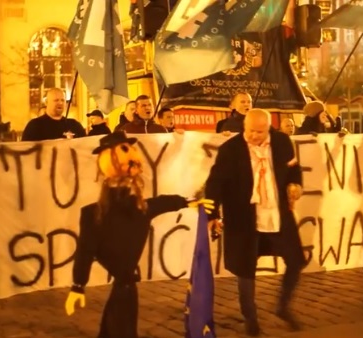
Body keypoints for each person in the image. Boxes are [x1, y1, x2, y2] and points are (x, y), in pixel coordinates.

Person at [65, 132, 213, 338]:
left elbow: (159, 203)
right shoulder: (95, 214)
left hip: (126, 284)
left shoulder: (139, 208)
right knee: (119, 322)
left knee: (116, 322)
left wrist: (188, 202)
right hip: (124, 283)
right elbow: (85, 251)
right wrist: (77, 286)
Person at [204, 109, 306, 336]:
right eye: (249, 131)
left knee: (296, 260)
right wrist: (212, 216)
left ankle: (283, 306)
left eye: (259, 132)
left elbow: (293, 169)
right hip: (244, 218)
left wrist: (296, 185)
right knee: (245, 269)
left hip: (277, 214)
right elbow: (215, 183)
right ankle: (250, 317)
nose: (253, 136)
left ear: (269, 129)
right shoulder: (230, 150)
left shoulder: (281, 142)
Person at [21, 88, 86, 141]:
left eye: (62, 100)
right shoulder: (35, 126)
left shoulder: (74, 125)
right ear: (46, 102)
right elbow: (25, 150)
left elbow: (86, 146)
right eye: (56, 100)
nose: (60, 103)